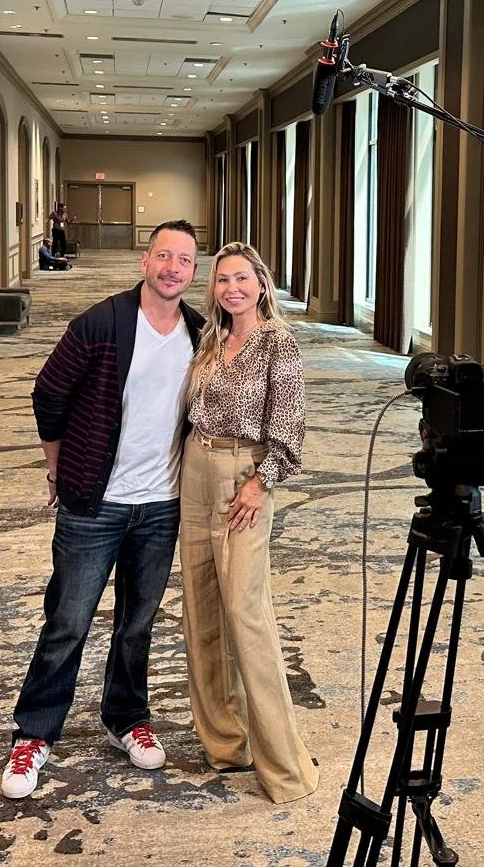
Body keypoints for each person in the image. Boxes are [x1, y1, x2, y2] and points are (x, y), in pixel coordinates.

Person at [1, 220, 204, 800]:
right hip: (96, 504)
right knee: (68, 623)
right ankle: (34, 734)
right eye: (163, 255)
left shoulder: (199, 332)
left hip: (162, 506)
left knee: (137, 625)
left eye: (185, 260)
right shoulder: (101, 323)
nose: (172, 268)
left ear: (194, 271)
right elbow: (49, 392)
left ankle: (125, 719)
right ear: (146, 260)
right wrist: (56, 468)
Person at [178, 241, 318, 803]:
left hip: (245, 476)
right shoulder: (211, 338)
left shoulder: (277, 343)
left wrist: (261, 483)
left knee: (245, 610)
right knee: (200, 606)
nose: (231, 288)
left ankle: (285, 767)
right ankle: (224, 744)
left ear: (260, 284)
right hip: (195, 467)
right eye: (221, 280)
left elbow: (291, 424)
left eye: (242, 278)